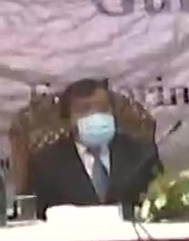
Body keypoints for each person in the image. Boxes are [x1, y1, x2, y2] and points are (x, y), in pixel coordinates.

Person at [24, 78, 161, 215]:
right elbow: (38, 217)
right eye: (85, 110)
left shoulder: (142, 154)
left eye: (103, 108)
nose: (96, 116)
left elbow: (160, 205)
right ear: (67, 120)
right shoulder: (46, 164)